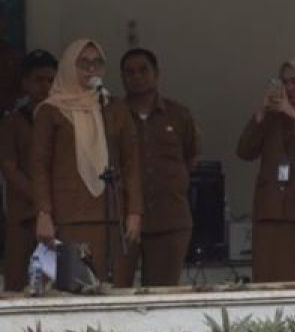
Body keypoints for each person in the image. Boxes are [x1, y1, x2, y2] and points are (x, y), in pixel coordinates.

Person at [30, 40, 143, 286]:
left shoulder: (114, 108)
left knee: (116, 296)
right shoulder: (51, 111)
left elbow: (131, 163)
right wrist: (43, 213)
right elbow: (39, 167)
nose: (92, 69)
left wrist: (134, 211)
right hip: (70, 219)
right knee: (77, 292)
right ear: (69, 67)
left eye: (97, 62)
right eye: (84, 63)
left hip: (114, 218)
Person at [236, 56, 295, 283]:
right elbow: (244, 151)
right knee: (270, 277)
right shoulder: (272, 117)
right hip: (271, 212)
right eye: (285, 82)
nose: (289, 88)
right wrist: (260, 115)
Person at [119, 48, 200, 287]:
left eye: (143, 70)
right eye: (129, 72)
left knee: (162, 294)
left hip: (170, 219)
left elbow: (191, 157)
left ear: (156, 73)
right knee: (116, 292)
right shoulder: (114, 115)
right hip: (124, 221)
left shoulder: (178, 114)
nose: (136, 76)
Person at [0, 49, 57, 291]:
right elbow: (9, 169)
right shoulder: (12, 122)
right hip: (23, 218)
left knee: (61, 286)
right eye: (39, 80)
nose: (45, 86)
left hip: (60, 219)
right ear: (25, 83)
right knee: (17, 285)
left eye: (51, 80)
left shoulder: (64, 119)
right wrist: (42, 200)